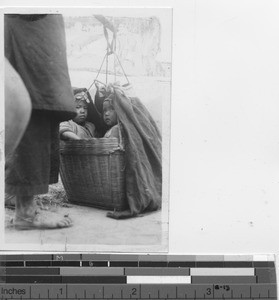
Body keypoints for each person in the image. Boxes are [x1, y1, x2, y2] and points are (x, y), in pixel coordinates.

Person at [5, 14, 76, 229]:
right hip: (29, 23)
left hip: (42, 28)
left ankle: (25, 203)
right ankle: (25, 211)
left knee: (46, 104)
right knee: (32, 102)